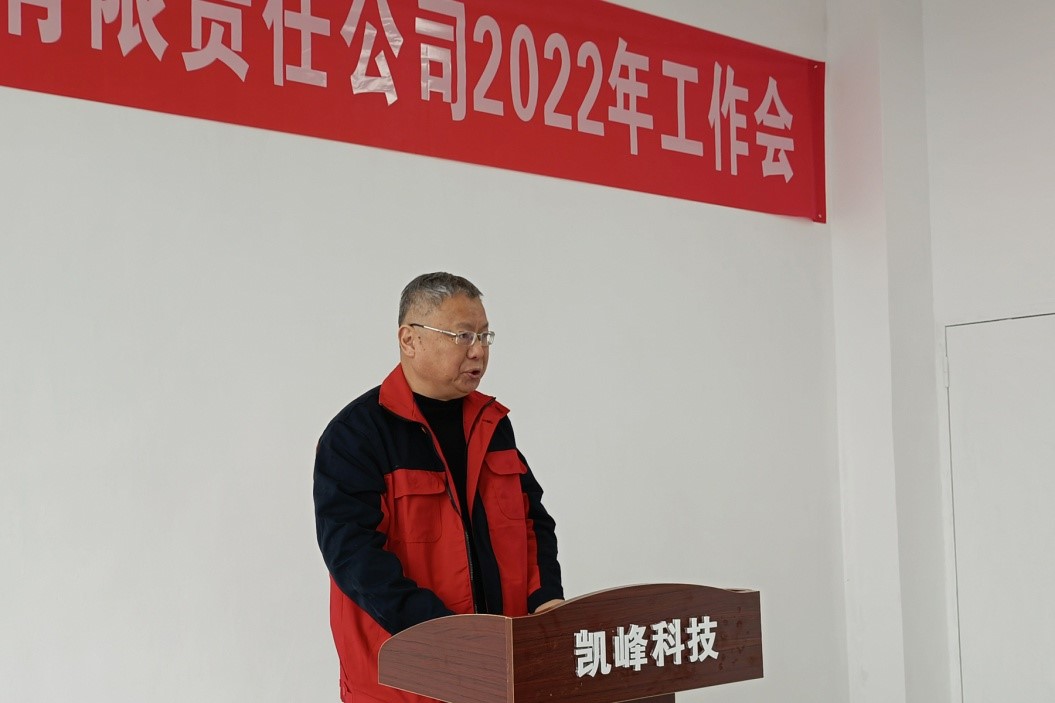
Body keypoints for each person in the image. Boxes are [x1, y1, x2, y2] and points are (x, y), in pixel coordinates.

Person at [313, 272, 564, 703]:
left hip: (500, 672)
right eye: (462, 335)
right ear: (409, 340)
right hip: (404, 684)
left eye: (485, 336)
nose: (478, 350)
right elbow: (354, 557)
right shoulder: (356, 436)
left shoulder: (492, 425)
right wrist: (447, 639)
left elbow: (532, 520)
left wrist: (546, 602)